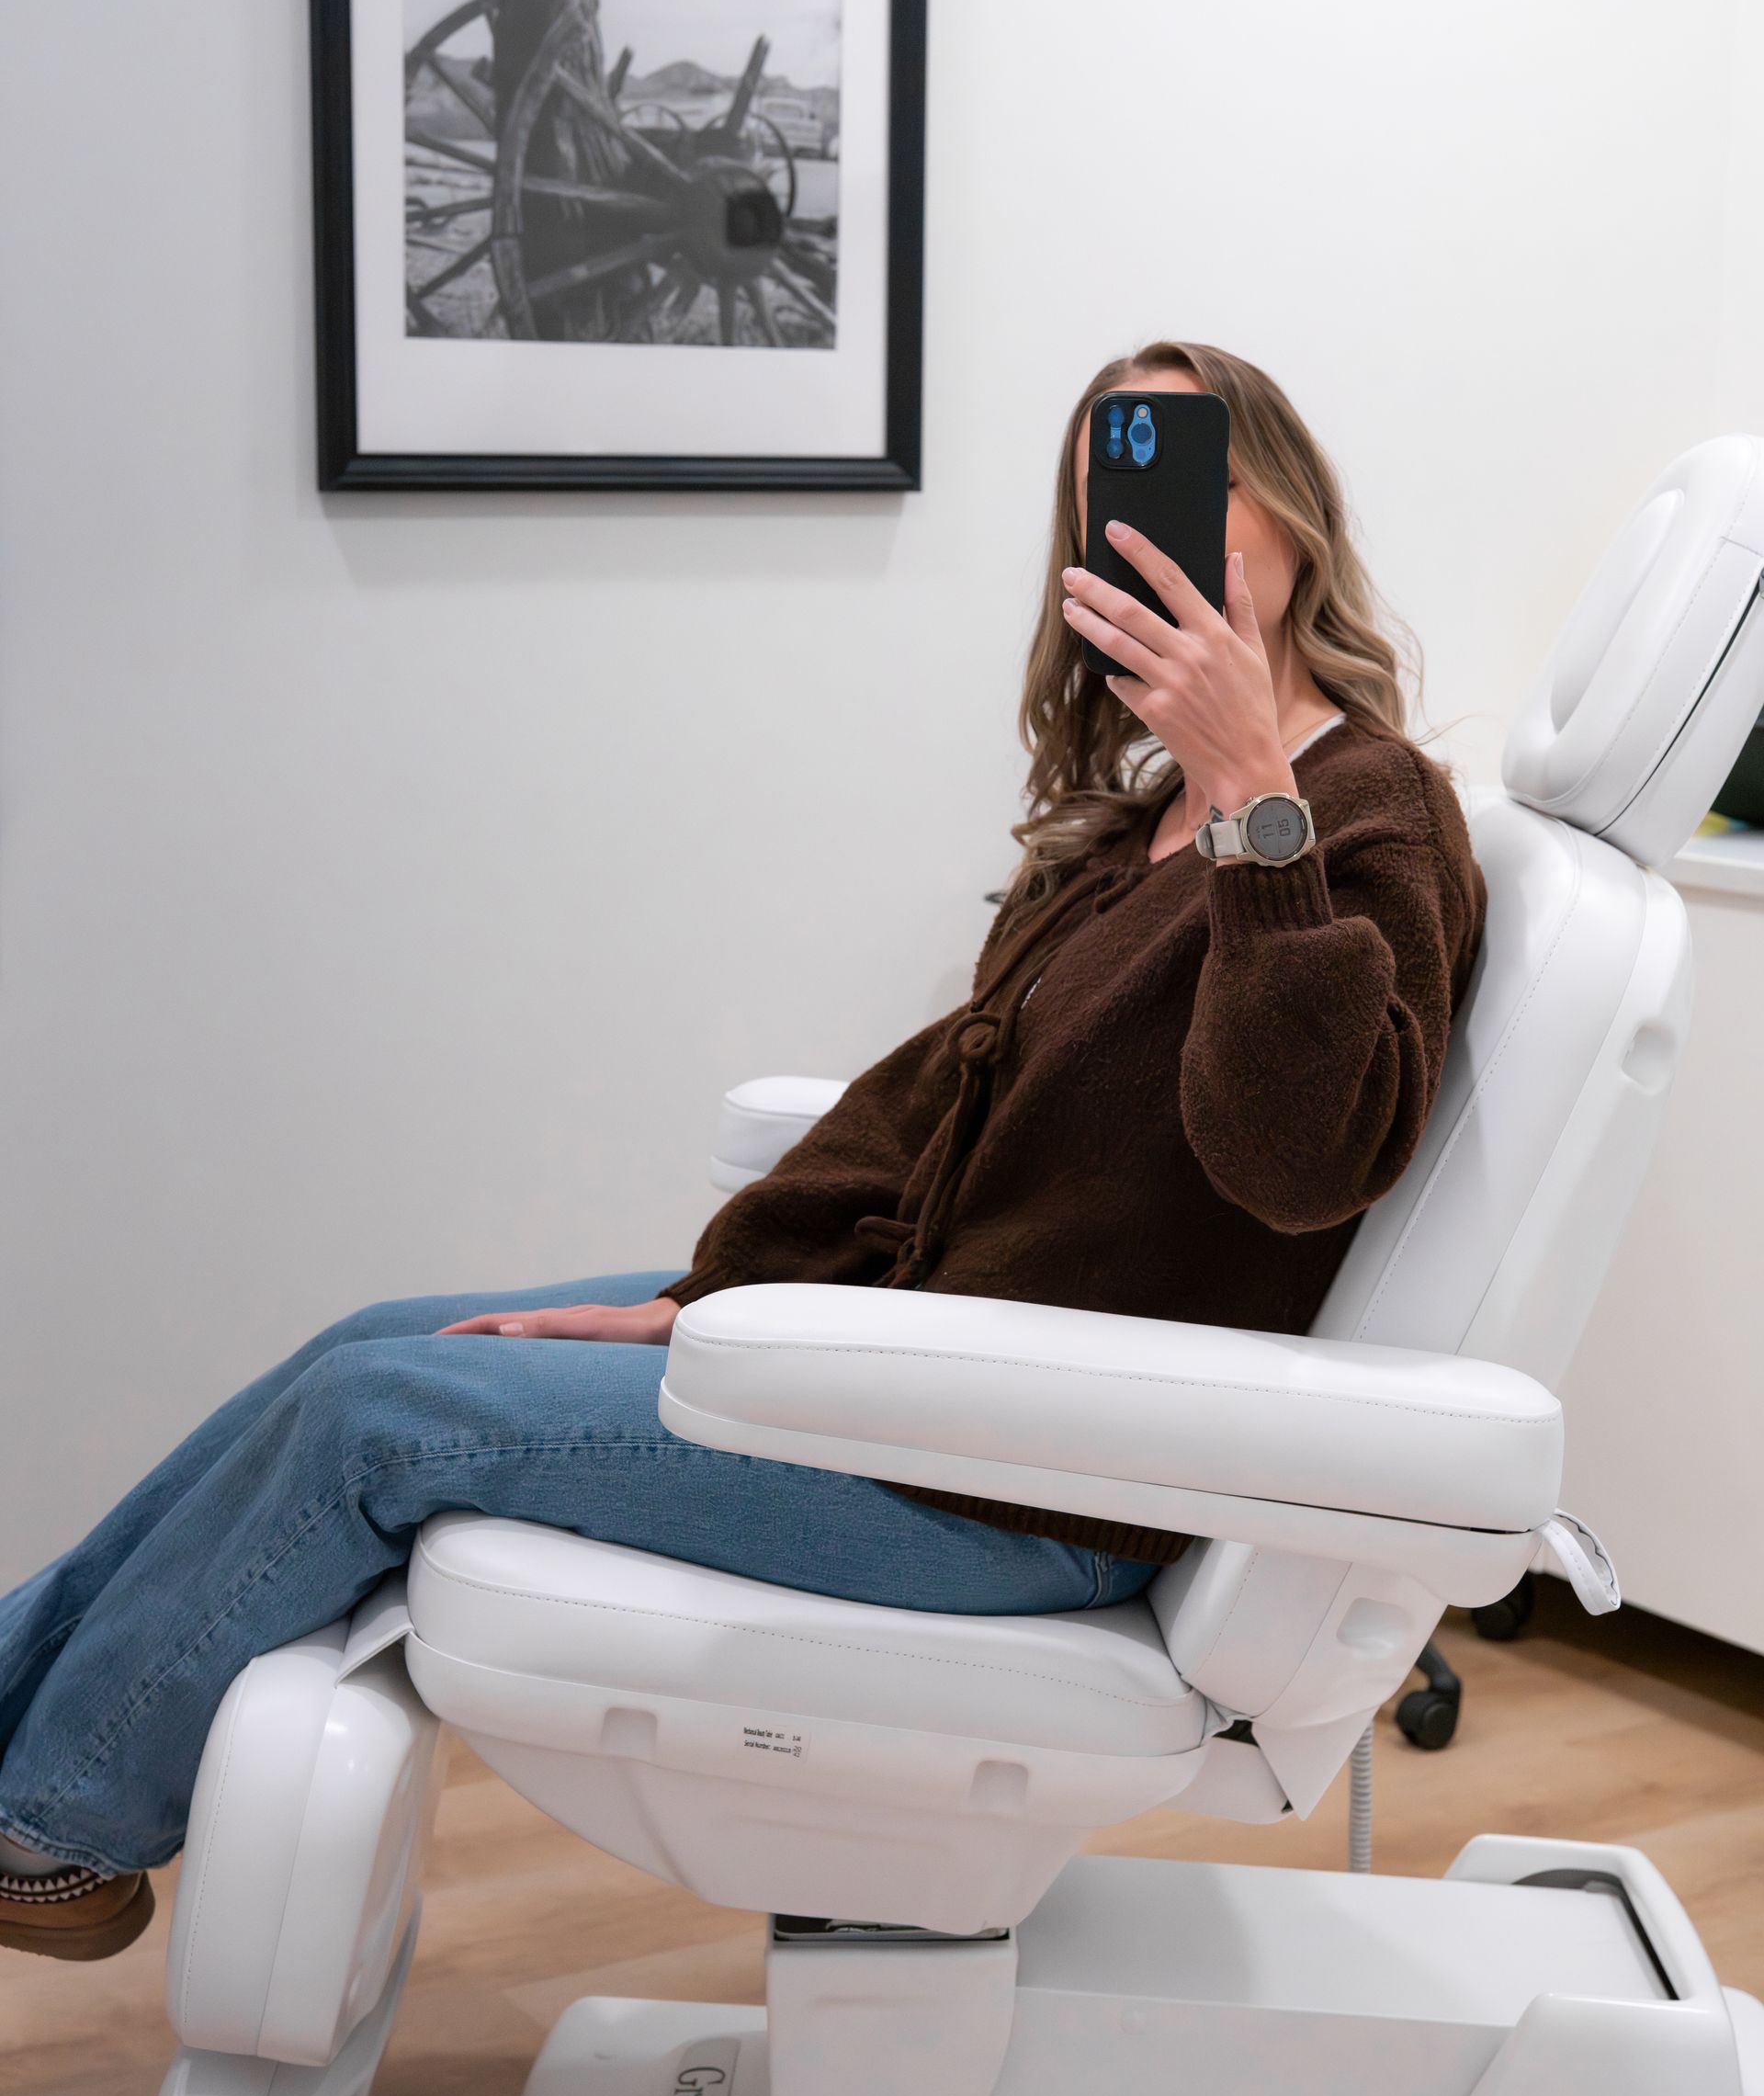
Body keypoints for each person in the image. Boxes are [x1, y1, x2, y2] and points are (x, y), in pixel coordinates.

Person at [0, 341, 1485, 1960]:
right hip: (920, 1367)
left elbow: (1300, 1158)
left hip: (1028, 1476)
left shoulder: (1365, 810)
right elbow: (940, 1128)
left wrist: (1256, 794)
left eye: (1188, 482)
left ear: (1289, 510)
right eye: (1102, 498)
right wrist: (709, 1304)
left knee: (378, 1418)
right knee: (383, 1340)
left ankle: (50, 1830)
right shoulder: (1149, 822)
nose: (1143, 532)